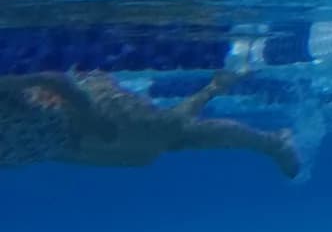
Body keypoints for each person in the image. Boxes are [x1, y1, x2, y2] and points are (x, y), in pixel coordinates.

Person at [0, 70, 300, 178]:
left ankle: (273, 142)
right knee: (165, 142)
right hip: (62, 146)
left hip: (80, 113)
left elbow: (51, 78)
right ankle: (217, 86)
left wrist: (89, 117)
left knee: (177, 134)